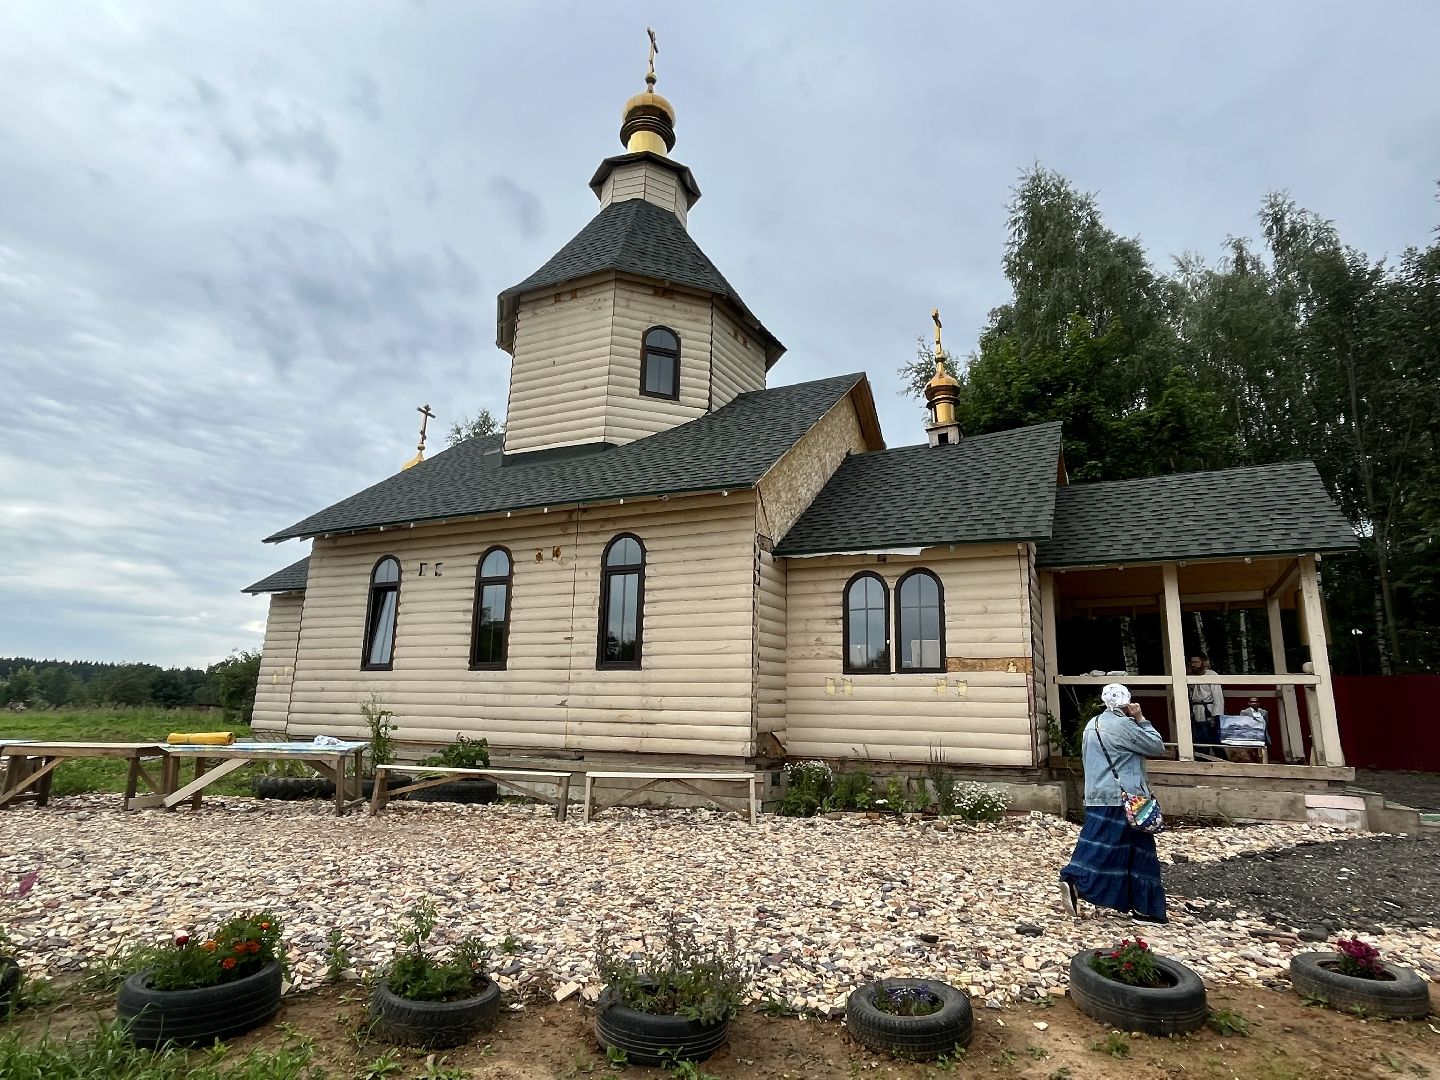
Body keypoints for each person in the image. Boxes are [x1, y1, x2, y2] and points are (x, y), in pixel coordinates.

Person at [1059, 683, 1168, 923]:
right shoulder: (1125, 725)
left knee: (1103, 841)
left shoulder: (1092, 724)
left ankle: (1137, 906)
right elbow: (1156, 745)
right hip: (1125, 797)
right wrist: (1140, 718)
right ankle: (1076, 878)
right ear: (1127, 702)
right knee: (1136, 850)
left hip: (1097, 793)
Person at [1187, 653, 1225, 756]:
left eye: (1197, 662)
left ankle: (1222, 763)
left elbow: (1218, 697)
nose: (1194, 665)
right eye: (1192, 662)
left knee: (1214, 741)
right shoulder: (1190, 676)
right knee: (1199, 742)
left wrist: (1215, 716)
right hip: (1196, 712)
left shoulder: (1211, 675)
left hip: (1209, 711)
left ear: (1203, 662)